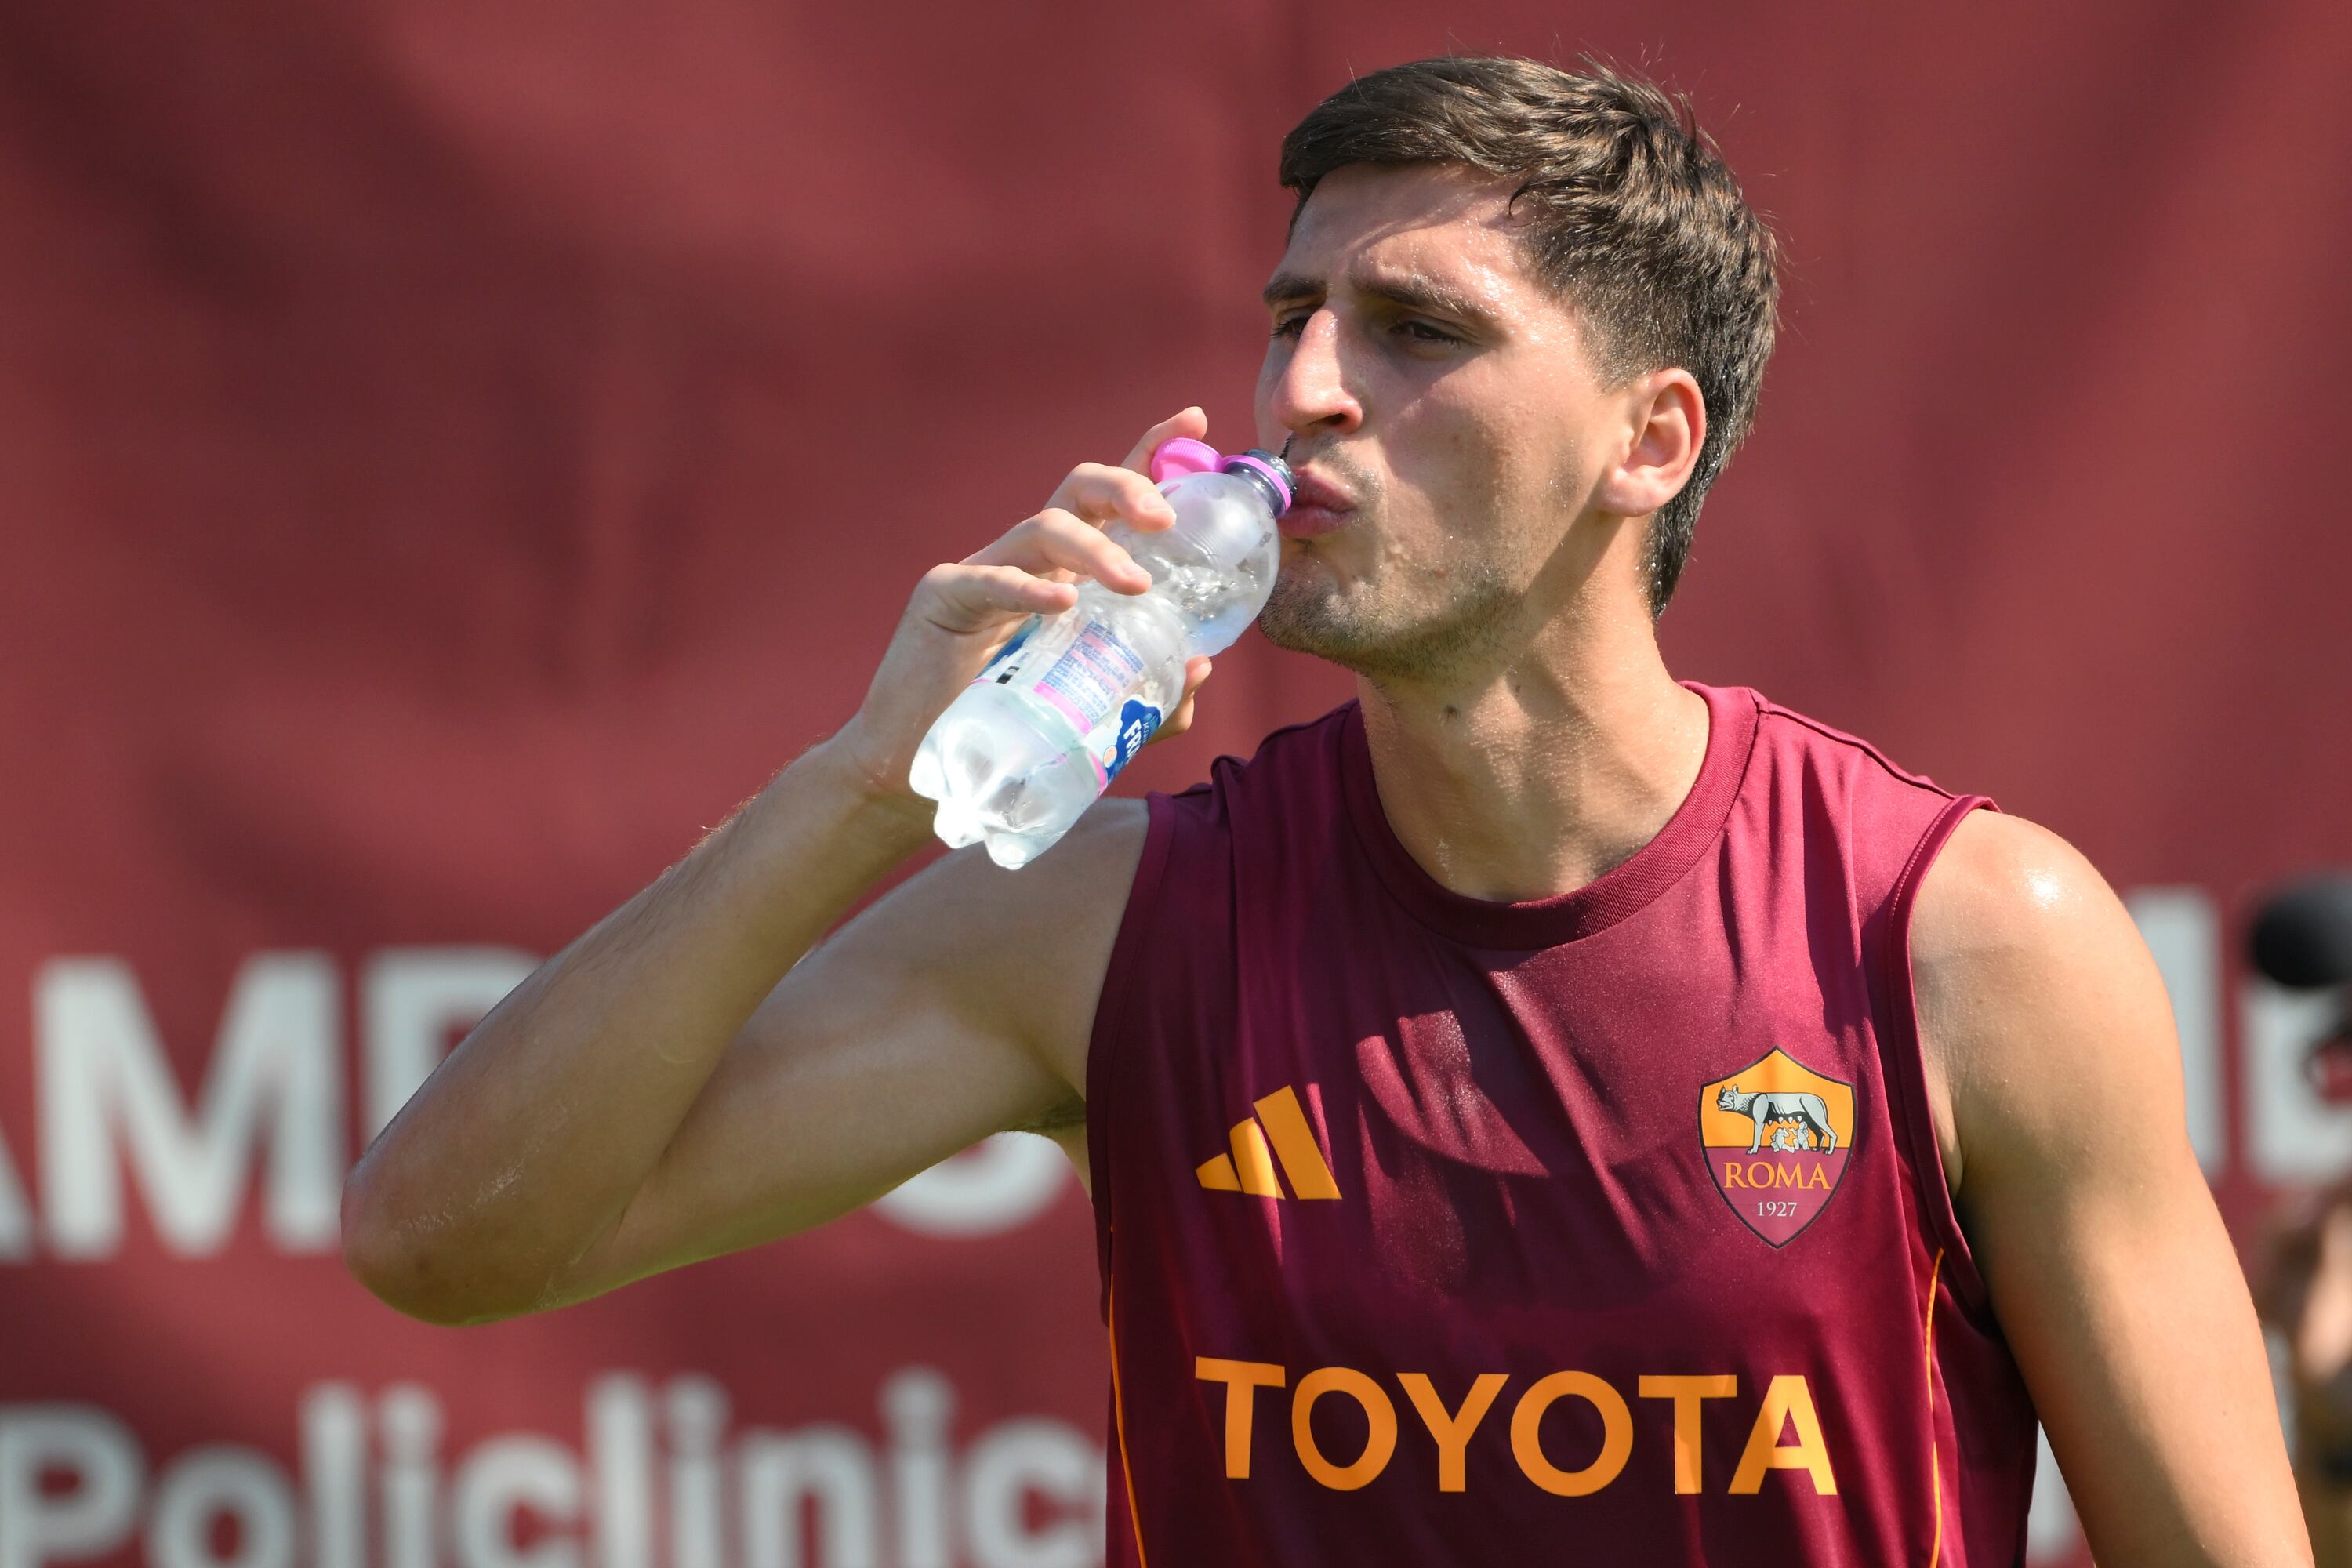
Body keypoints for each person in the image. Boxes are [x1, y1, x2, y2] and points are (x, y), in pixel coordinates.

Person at [343, 56, 2310, 1565]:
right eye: (1292, 318)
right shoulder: (1114, 920)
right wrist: (868, 783)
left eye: (1417, 330)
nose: (1306, 391)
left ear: (1651, 438)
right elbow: (445, 1240)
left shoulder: (1960, 938)